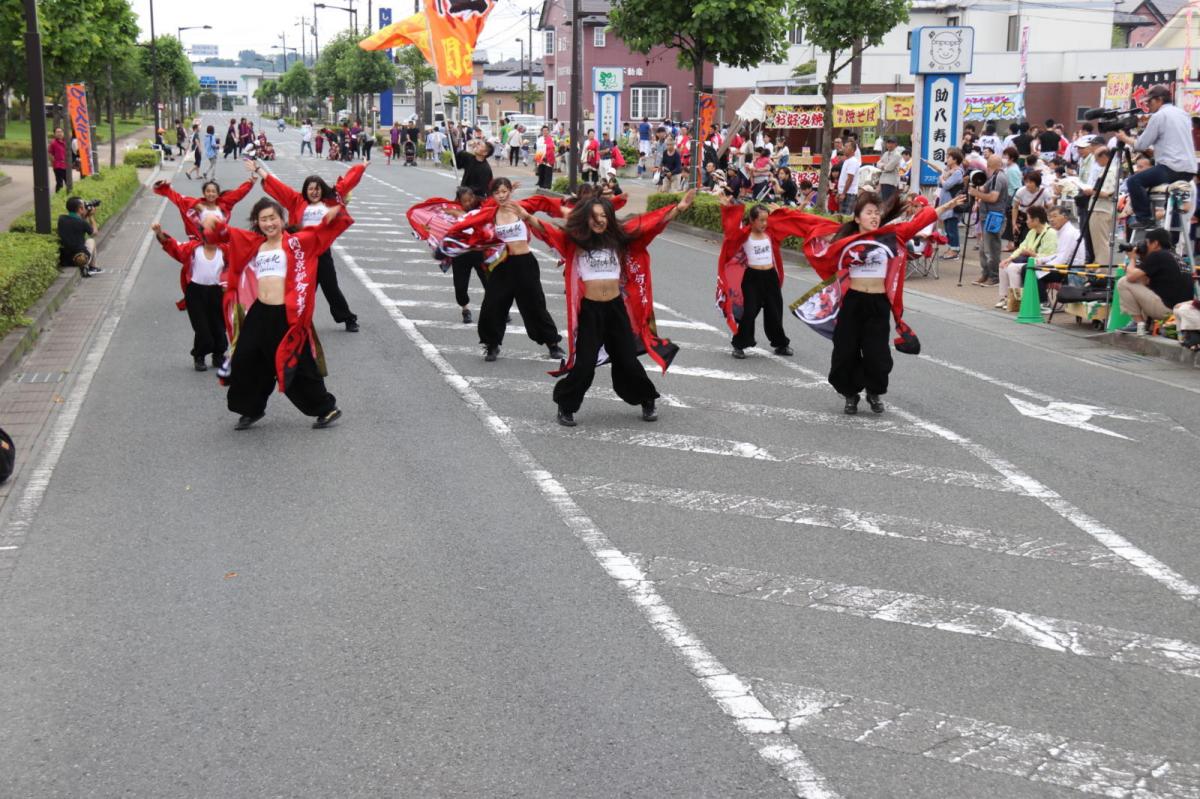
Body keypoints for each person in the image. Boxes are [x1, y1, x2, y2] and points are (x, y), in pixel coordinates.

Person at [770, 191, 964, 414]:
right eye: (869, 213)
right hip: (853, 303)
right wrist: (783, 215)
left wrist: (948, 204)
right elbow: (809, 225)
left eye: (877, 213)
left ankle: (873, 392)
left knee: (877, 354)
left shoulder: (892, 235)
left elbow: (921, 220)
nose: (874, 217)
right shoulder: (844, 239)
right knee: (845, 352)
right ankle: (850, 394)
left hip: (878, 304)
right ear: (857, 218)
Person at [531, 190, 698, 427]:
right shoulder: (576, 242)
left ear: (609, 218)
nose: (599, 221)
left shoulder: (619, 240)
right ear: (586, 219)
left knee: (628, 361)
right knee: (585, 364)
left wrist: (679, 208)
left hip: (615, 309)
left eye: (603, 216)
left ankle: (647, 399)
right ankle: (566, 406)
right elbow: (549, 231)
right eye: (594, 216)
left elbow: (649, 224)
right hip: (590, 312)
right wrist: (525, 216)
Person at [215, 197, 353, 430]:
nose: (269, 223)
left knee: (296, 365)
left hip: (286, 314)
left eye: (273, 218)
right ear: (257, 223)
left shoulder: (300, 242)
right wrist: (212, 222)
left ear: (282, 219)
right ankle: (252, 408)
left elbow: (328, 230)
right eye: (263, 219)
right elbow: (223, 234)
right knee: (247, 359)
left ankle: (326, 408)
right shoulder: (255, 243)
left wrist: (336, 212)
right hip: (260, 311)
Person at [444, 178, 565, 362]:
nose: (501, 195)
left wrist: (560, 210)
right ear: (492, 195)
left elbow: (543, 212)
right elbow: (468, 225)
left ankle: (552, 344)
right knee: (493, 304)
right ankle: (492, 345)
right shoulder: (490, 214)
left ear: (510, 191)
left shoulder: (521, 207)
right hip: (502, 265)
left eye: (504, 191)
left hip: (525, 263)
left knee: (535, 305)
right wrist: (448, 237)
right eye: (497, 192)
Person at [254, 160, 366, 332]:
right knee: (302, 288)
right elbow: (278, 186)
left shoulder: (329, 201)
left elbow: (347, 183)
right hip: (301, 254)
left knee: (331, 287)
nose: (314, 192)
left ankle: (348, 318)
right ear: (305, 190)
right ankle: (294, 321)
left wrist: (361, 168)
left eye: (317, 188)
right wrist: (258, 169)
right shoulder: (297, 201)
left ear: (322, 189)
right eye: (311, 189)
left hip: (322, 252)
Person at [715, 193, 794, 359]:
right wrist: (728, 209)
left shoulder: (770, 233)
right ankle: (739, 345)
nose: (765, 223)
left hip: (770, 277)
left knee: (774, 312)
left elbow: (790, 224)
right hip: (752, 278)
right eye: (761, 220)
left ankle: (780, 344)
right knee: (749, 312)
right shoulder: (744, 235)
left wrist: (782, 211)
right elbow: (730, 229)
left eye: (767, 220)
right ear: (752, 220)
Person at [151, 219, 230, 371]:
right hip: (196, 293)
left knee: (219, 327)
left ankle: (218, 355)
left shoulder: (226, 250)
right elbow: (174, 247)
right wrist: (160, 234)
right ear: (201, 234)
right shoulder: (193, 249)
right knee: (202, 329)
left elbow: (241, 260)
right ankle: (199, 356)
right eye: (206, 232)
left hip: (217, 293)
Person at [1119, 85, 1199, 228]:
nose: (1147, 106)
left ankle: (1145, 218)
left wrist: (1124, 138)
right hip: (1189, 170)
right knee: (1167, 196)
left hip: (1170, 168)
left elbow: (1141, 145)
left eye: (1149, 102)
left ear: (1159, 100)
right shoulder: (1183, 114)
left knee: (1134, 182)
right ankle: (1173, 237)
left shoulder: (1159, 116)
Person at [1116, 228, 1195, 335]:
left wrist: (1132, 259)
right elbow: (1145, 281)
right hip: (1181, 310)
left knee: (1123, 282)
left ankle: (1138, 324)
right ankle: (1147, 323)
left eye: (1147, 243)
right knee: (1142, 283)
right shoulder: (1176, 257)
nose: (1145, 246)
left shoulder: (1157, 255)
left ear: (1155, 244)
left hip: (1167, 309)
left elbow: (1130, 277)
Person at [154, 175, 257, 241]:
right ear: (204, 193)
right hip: (198, 245)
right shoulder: (195, 206)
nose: (210, 194)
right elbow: (178, 198)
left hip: (219, 245)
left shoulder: (224, 205)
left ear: (217, 194)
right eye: (208, 191)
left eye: (213, 192)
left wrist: (250, 183)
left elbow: (238, 194)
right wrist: (162, 187)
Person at [997, 205, 1057, 309]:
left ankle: (1016, 300)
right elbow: (1021, 247)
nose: (1026, 221)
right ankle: (1005, 297)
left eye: (1028, 219)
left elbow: (1050, 255)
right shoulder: (1032, 232)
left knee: (1012, 268)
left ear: (1036, 220)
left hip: (1041, 263)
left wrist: (1032, 254)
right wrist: (1009, 258)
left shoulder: (1051, 233)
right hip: (1030, 261)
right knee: (1004, 265)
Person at [969, 153, 1010, 286]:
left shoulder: (999, 178)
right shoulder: (993, 176)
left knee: (991, 248)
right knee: (983, 248)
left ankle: (994, 276)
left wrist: (976, 193)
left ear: (990, 165)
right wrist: (974, 183)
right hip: (988, 216)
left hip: (995, 216)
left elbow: (993, 198)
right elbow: (984, 188)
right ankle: (985, 274)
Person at [1081, 145, 1120, 264]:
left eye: (1097, 159)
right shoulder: (1107, 169)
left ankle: (1102, 270)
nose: (1096, 162)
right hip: (1101, 209)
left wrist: (1090, 191)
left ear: (1104, 156)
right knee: (1099, 241)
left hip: (1100, 210)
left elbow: (1106, 192)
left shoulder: (1110, 170)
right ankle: (1100, 266)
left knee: (1100, 242)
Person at [57, 197, 102, 277]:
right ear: (80, 209)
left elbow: (74, 222)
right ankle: (92, 267)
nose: (86, 208)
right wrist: (91, 216)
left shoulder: (61, 219)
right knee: (91, 241)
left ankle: (91, 267)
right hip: (80, 259)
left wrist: (84, 216)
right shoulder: (82, 223)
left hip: (65, 260)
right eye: (84, 206)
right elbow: (94, 232)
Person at [935, 148, 966, 260]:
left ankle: (955, 250)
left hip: (953, 205)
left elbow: (947, 185)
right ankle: (950, 248)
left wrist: (942, 178)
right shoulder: (949, 170)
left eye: (949, 157)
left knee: (952, 228)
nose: (947, 159)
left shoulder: (958, 172)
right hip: (947, 203)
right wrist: (944, 176)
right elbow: (940, 183)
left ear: (955, 159)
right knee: (948, 228)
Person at [1011, 170, 1050, 246]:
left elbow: (1049, 207)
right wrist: (1014, 223)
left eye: (1030, 182)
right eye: (1026, 182)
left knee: (1038, 239)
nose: (1027, 184)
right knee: (1022, 239)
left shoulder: (1044, 192)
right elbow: (1015, 207)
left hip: (1037, 218)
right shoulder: (1020, 191)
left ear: (1037, 183)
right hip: (1023, 216)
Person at [837, 140, 862, 215]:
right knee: (841, 216)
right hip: (844, 192)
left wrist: (843, 193)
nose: (844, 148)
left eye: (847, 147)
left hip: (849, 193)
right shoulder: (847, 161)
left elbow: (850, 179)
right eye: (844, 146)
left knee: (845, 217)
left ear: (853, 150)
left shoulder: (853, 161)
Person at [876, 137, 902, 202]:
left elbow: (889, 168)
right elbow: (877, 164)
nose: (890, 144)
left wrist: (883, 166)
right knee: (883, 201)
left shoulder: (897, 155)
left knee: (888, 202)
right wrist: (884, 166)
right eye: (888, 143)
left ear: (896, 144)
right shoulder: (885, 153)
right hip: (883, 181)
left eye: (892, 143)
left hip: (891, 182)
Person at [535, 125, 556, 189]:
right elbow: (537, 147)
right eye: (544, 130)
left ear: (548, 131)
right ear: (542, 131)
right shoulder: (539, 139)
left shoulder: (551, 138)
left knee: (548, 172)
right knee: (541, 171)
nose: (545, 132)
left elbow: (553, 147)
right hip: (540, 156)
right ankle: (541, 184)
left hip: (549, 157)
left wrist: (546, 147)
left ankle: (547, 185)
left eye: (546, 130)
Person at [48, 128, 68, 193]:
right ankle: (58, 195)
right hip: (58, 166)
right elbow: (50, 154)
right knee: (60, 183)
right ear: (55, 134)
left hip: (66, 165)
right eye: (57, 132)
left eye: (61, 132)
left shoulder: (66, 142)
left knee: (68, 182)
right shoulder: (53, 143)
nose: (59, 133)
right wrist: (54, 162)